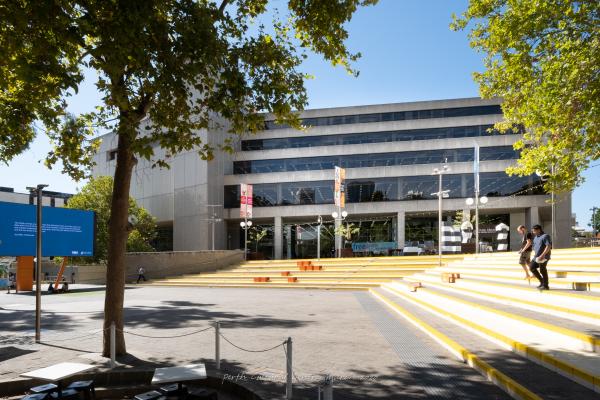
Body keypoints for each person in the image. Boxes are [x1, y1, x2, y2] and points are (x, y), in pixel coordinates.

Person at [530, 224, 552, 290]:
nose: (533, 232)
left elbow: (548, 246)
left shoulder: (545, 236)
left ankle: (545, 286)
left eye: (534, 231)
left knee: (542, 270)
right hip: (536, 257)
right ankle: (542, 281)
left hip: (544, 256)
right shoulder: (536, 237)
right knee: (531, 267)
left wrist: (542, 255)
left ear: (539, 230)